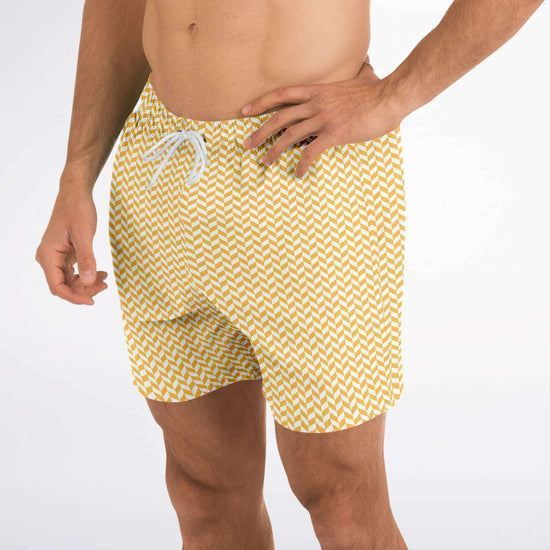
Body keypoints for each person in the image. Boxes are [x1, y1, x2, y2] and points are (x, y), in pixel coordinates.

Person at [35, 1, 545, 548]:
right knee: (203, 491)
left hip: (308, 166)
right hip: (161, 167)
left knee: (342, 499)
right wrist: (77, 172)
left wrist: (394, 97)